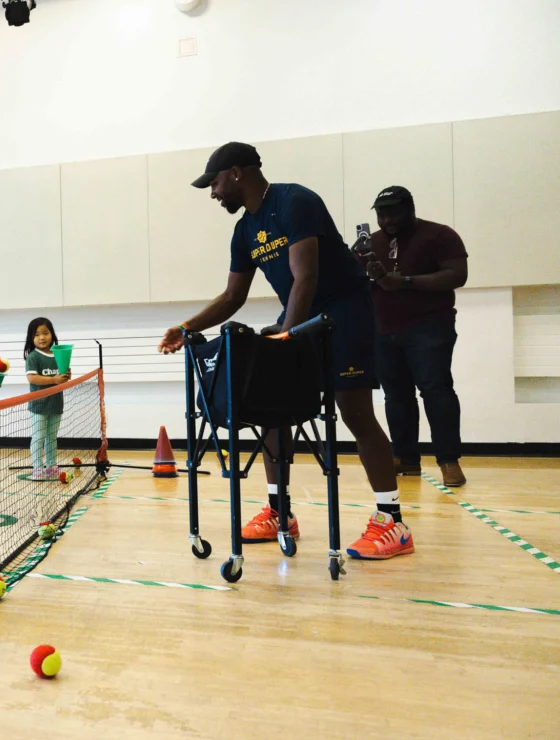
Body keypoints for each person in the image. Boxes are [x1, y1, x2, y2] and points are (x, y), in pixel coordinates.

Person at [158, 142, 413, 561]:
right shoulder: (244, 231)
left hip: (343, 315)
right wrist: (185, 328)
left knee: (354, 412)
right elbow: (232, 297)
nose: (213, 193)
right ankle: (280, 512)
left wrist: (287, 335)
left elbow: (305, 276)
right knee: (273, 409)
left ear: (238, 173)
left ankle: (393, 521)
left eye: (216, 183)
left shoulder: (296, 201)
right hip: (299, 318)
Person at [356, 186, 468, 487]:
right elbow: (354, 287)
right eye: (381, 214)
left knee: (436, 390)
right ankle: (405, 459)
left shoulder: (440, 235)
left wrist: (405, 282)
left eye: (393, 212)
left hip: (429, 328)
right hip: (383, 330)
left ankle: (448, 461)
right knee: (396, 396)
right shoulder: (369, 243)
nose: (387, 219)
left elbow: (457, 275)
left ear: (410, 209)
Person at [23, 318, 70, 481]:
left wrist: (65, 377)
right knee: (38, 437)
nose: (42, 337)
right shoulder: (33, 357)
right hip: (39, 406)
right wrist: (54, 380)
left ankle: (51, 466)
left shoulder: (58, 354)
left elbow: (60, 377)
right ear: (31, 338)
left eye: (45, 333)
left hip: (56, 404)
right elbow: (32, 378)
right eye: (37, 334)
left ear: (52, 334)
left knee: (51, 437)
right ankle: (37, 468)